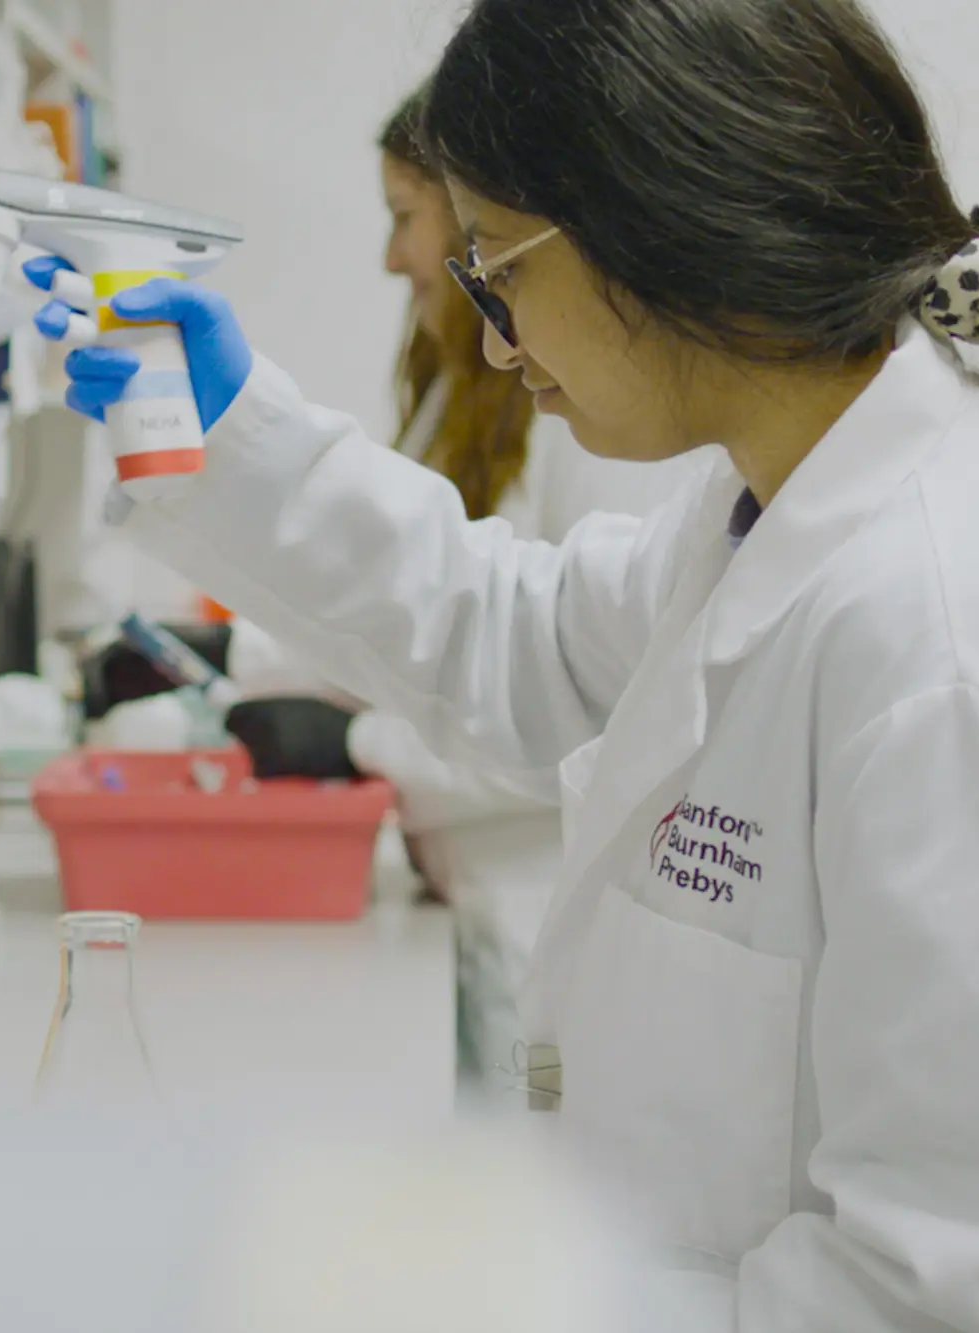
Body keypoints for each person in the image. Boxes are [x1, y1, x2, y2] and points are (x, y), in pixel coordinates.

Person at [29, 0, 979, 1327]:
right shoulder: (769, 515)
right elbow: (520, 636)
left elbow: (976, 1297)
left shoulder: (953, 649)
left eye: (499, 267)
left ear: (658, 224)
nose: (493, 337)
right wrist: (235, 436)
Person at [216, 87, 701, 1088]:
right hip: (465, 894)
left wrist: (354, 743)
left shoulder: (602, 427)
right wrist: (232, 655)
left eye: (407, 219)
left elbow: (574, 691)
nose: (397, 259)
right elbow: (419, 591)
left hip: (537, 905)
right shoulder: (464, 385)